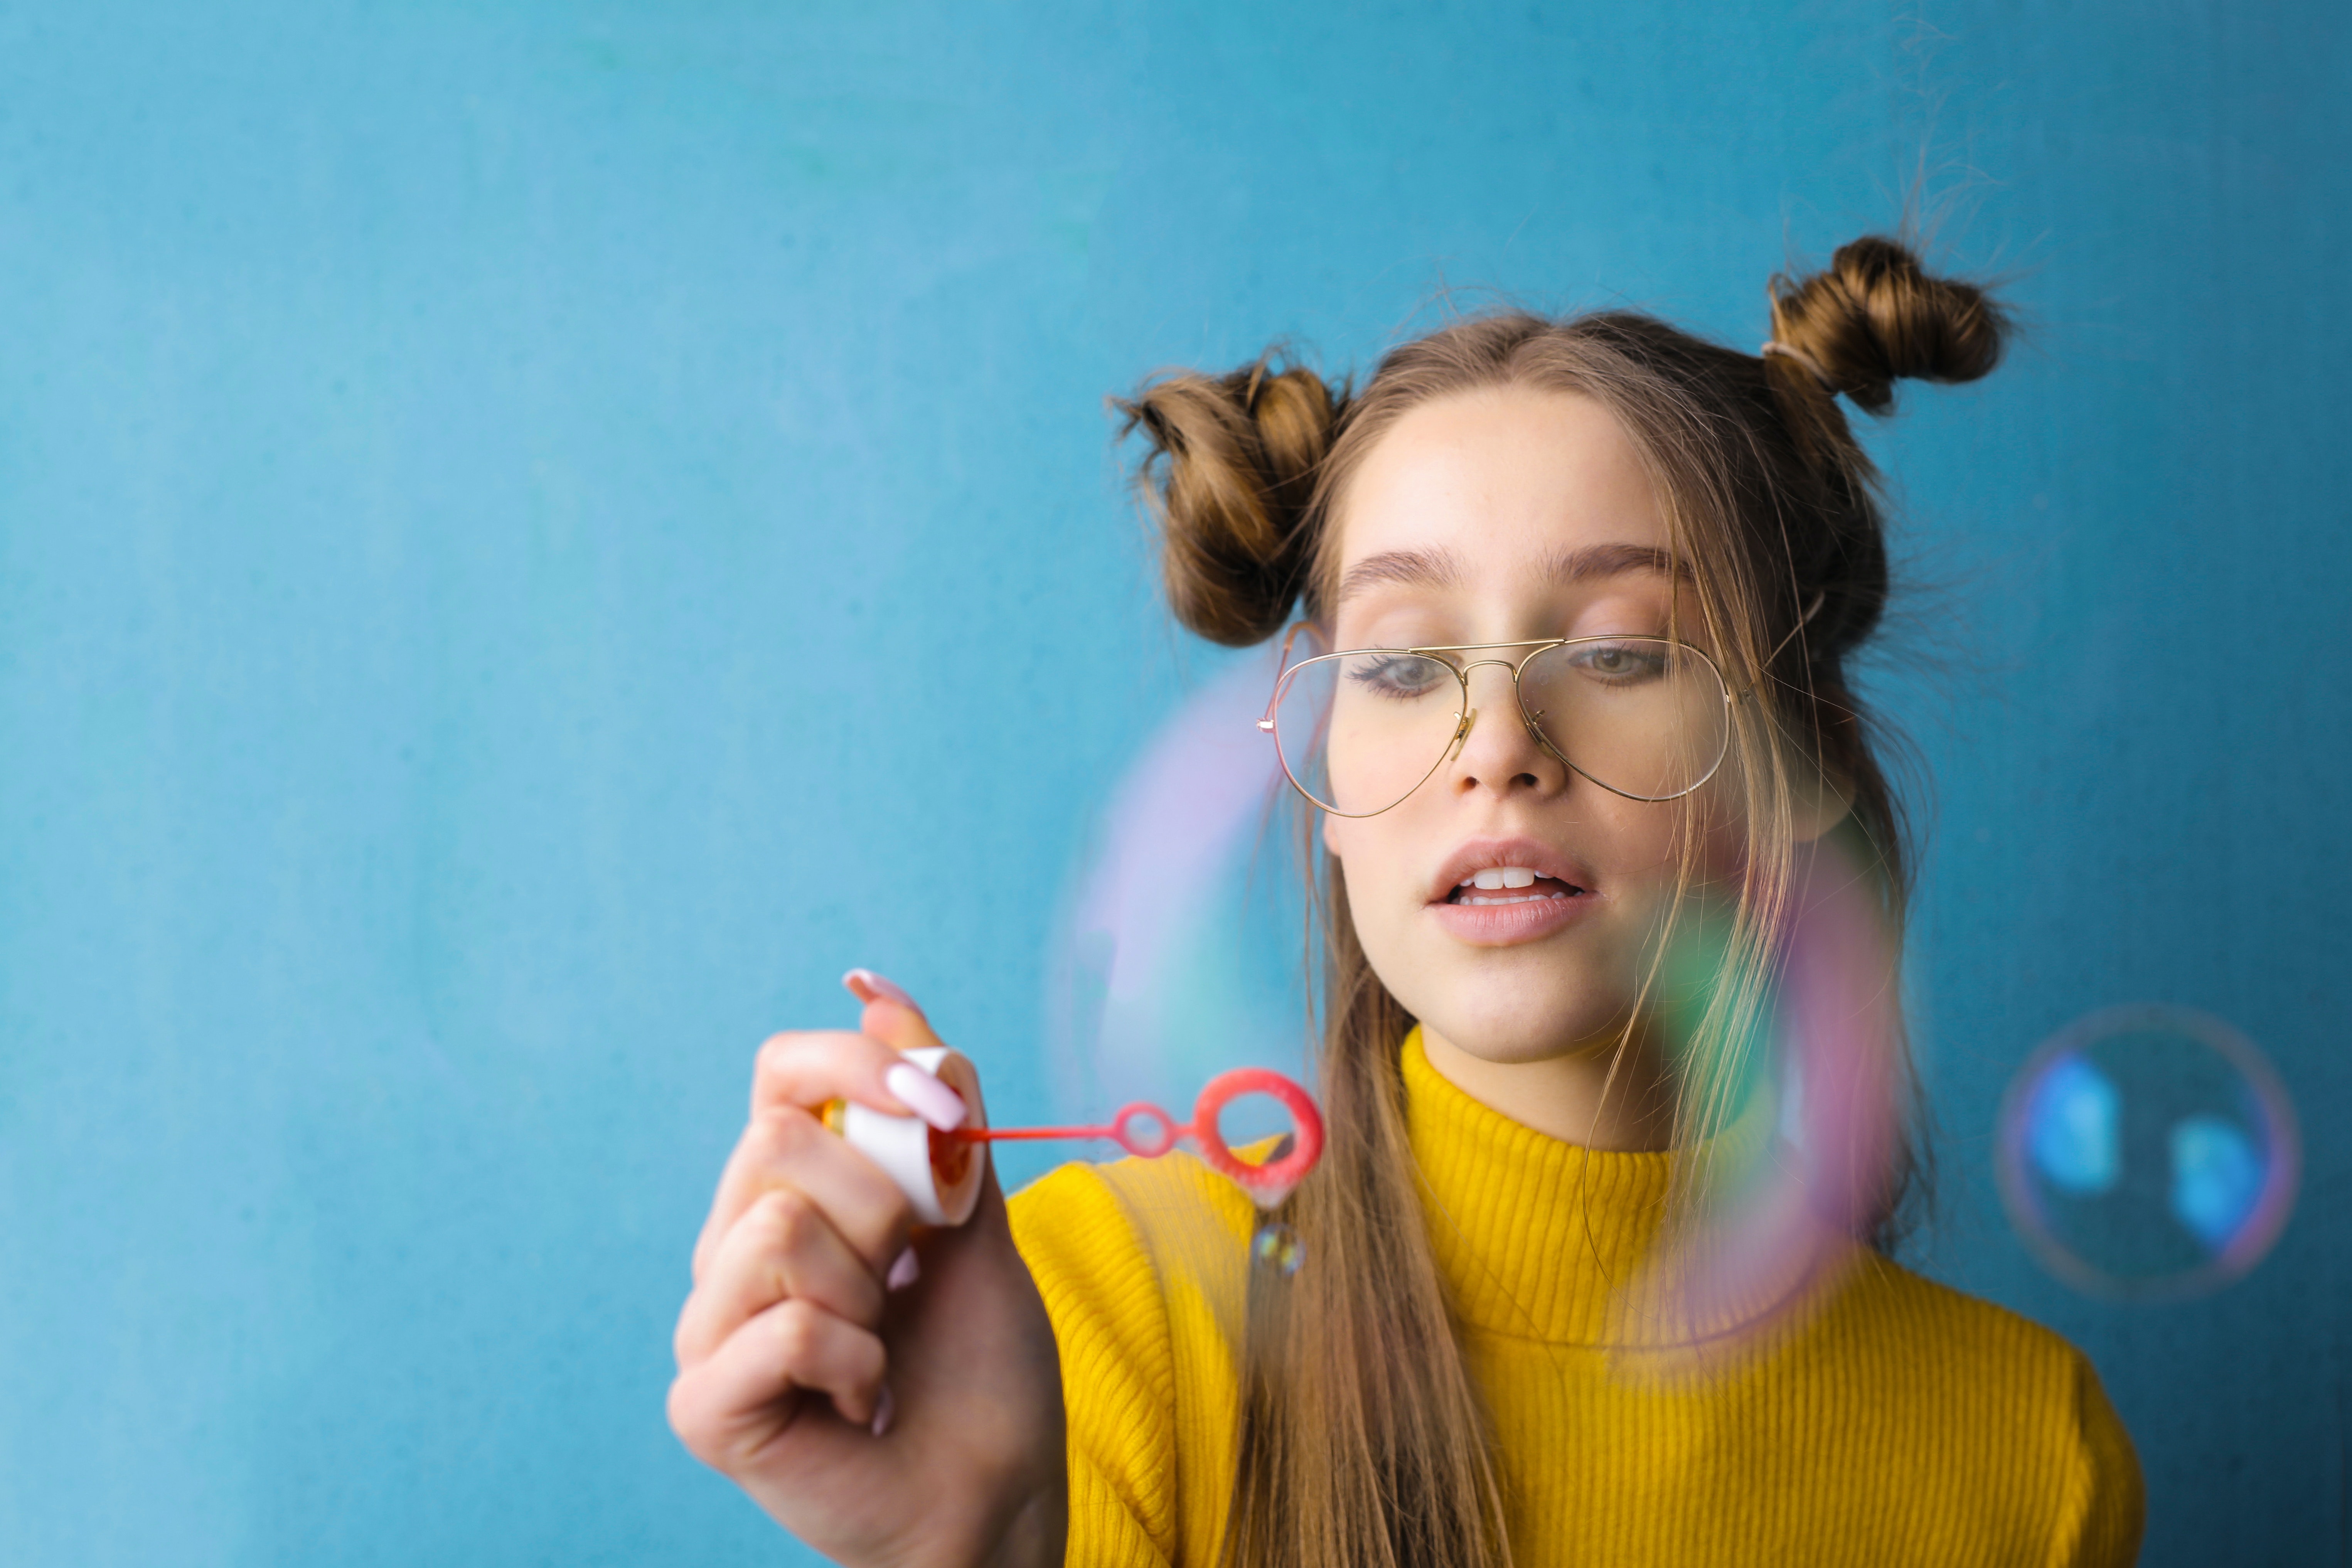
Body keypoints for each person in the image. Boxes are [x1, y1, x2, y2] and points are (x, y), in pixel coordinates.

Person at [666, 236, 2147, 1567]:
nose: (1494, 743)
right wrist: (964, 1550)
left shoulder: (2029, 1453)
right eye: (1397, 665)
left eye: (1621, 651)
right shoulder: (1090, 1316)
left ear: (1803, 753)